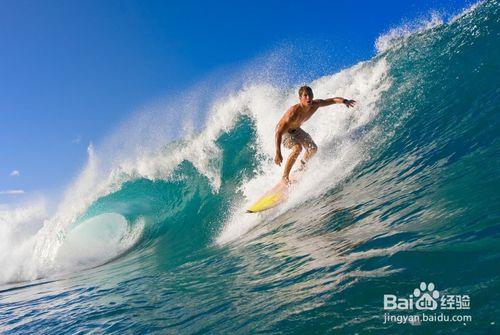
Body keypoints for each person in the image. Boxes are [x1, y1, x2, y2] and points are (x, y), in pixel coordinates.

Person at [274, 85, 356, 184]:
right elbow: (278, 132)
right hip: (284, 133)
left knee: (312, 148)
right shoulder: (293, 113)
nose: (308, 97)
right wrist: (278, 153)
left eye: (310, 95)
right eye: (305, 95)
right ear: (300, 98)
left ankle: (302, 166)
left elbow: (332, 100)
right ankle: (284, 177)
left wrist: (344, 101)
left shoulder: (315, 104)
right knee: (297, 148)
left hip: (296, 129)